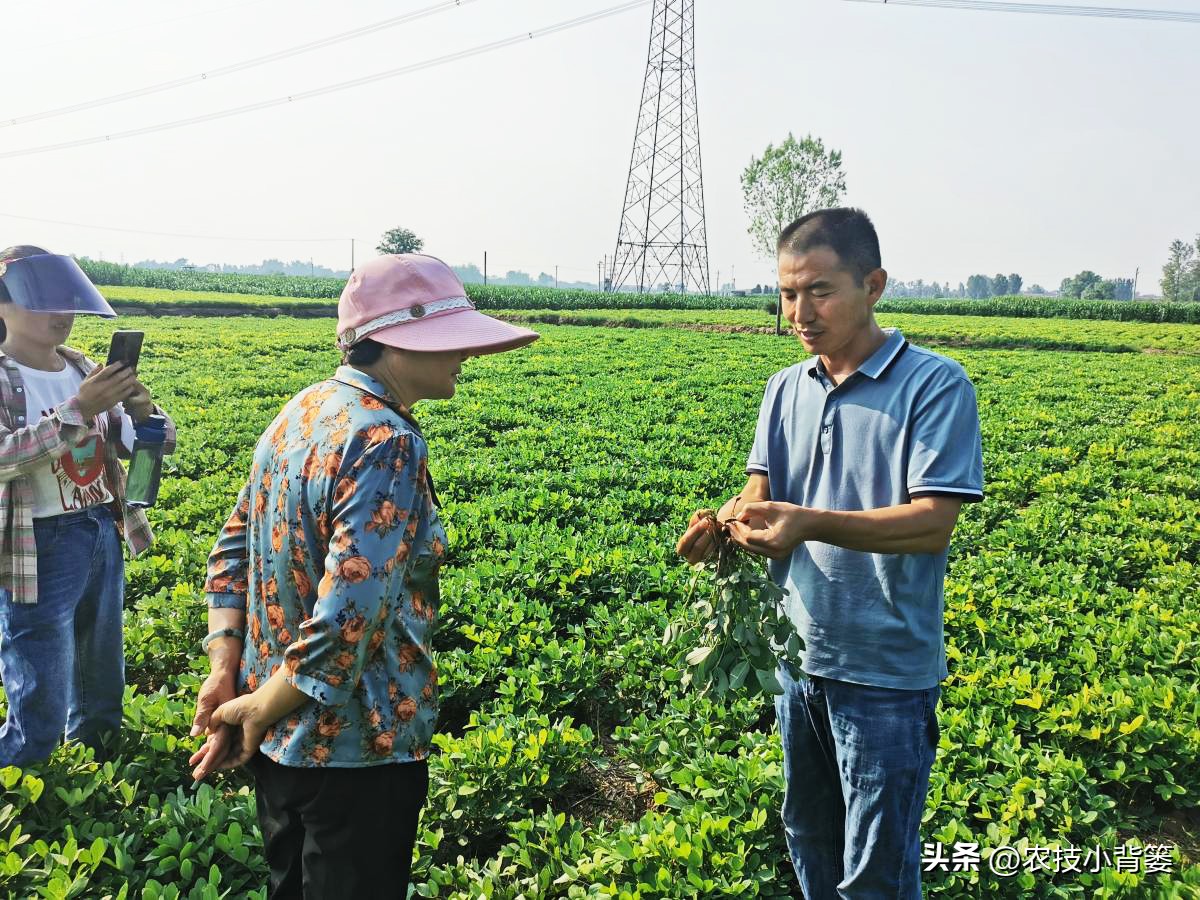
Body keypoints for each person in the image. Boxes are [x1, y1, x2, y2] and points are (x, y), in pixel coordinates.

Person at [187, 254, 538, 899]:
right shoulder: (386, 440)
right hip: (359, 744)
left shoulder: (301, 410)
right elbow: (351, 614)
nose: (465, 354)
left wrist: (227, 672)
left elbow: (231, 551)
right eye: (450, 339)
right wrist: (259, 705)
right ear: (393, 343)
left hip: (277, 740)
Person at [677, 209, 983, 899]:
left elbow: (932, 524)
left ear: (873, 286)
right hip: (798, 658)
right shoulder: (785, 389)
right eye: (787, 293)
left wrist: (809, 524)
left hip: (884, 672)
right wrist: (720, 531)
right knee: (809, 835)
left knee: (877, 868)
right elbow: (758, 496)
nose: (799, 313)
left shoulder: (935, 386)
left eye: (819, 291)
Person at [0, 245, 175, 766]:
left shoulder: (83, 368)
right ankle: (21, 773)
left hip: (100, 527)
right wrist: (77, 410)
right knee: (41, 685)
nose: (62, 314)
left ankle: (93, 764)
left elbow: (150, 443)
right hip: (37, 541)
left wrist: (143, 411)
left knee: (101, 671)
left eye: (67, 300)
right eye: (42, 301)